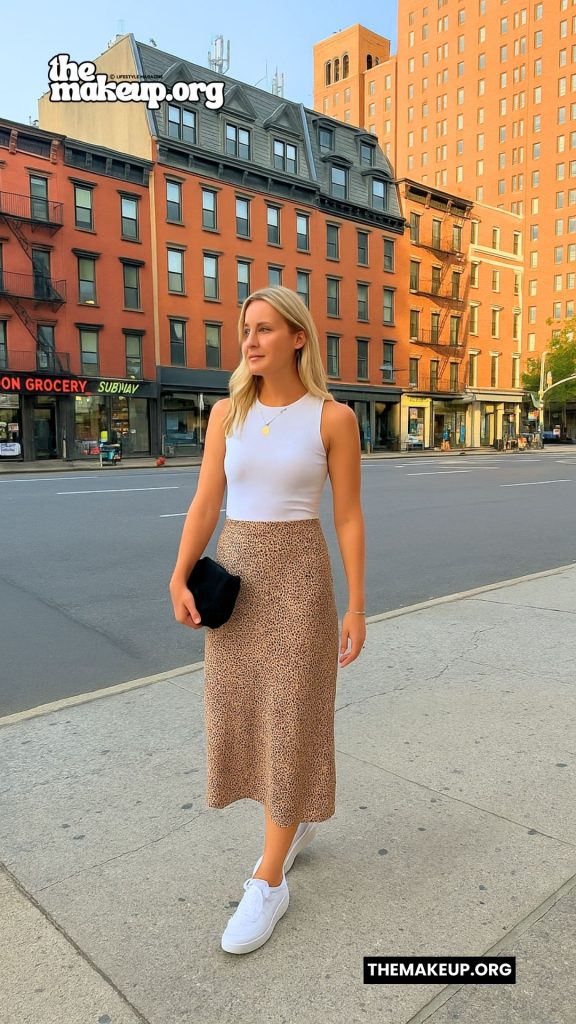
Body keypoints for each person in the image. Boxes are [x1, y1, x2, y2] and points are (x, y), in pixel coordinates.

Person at [169, 286, 366, 955]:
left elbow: (347, 517)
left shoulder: (332, 418)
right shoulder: (228, 412)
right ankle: (293, 820)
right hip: (237, 578)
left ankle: (270, 875)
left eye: (265, 330)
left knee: (292, 716)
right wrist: (179, 572)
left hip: (301, 584)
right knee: (246, 716)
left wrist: (358, 606)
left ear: (299, 338)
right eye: (245, 329)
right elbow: (204, 502)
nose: (250, 342)